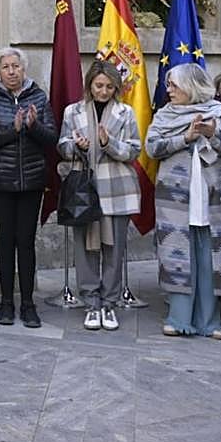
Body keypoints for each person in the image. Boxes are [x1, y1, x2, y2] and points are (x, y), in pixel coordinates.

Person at [146, 62, 221, 339]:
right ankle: (179, 318)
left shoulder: (220, 115)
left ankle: (211, 322)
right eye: (169, 85)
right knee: (177, 255)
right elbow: (151, 147)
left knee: (211, 259)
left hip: (214, 201)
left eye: (174, 85)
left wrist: (213, 135)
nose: (169, 90)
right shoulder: (164, 115)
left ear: (191, 87)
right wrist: (184, 137)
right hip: (176, 200)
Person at [56, 59, 141, 332]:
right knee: (85, 248)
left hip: (116, 189)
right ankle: (91, 303)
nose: (103, 92)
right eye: (98, 86)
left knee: (114, 250)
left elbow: (134, 150)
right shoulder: (73, 111)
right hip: (84, 190)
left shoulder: (125, 112)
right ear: (89, 85)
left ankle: (110, 303)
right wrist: (75, 146)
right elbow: (62, 145)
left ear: (116, 87)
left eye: (108, 87)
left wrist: (108, 143)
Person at [0, 46, 57, 330]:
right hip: (0, 180)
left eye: (16, 66)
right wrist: (14, 128)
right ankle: (6, 303)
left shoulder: (38, 96)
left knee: (26, 242)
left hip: (32, 180)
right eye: (6, 67)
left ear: (24, 69)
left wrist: (33, 126)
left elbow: (52, 138)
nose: (12, 71)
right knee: (5, 241)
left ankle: (28, 304)